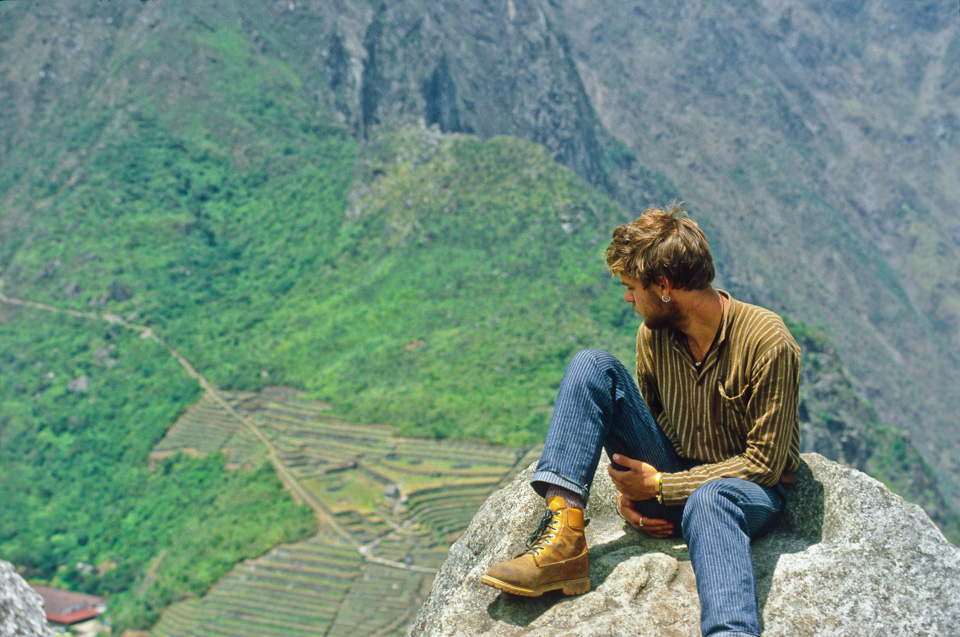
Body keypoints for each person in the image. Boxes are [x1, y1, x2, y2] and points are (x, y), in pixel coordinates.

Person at [480, 204, 801, 637]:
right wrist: (632, 496)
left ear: (665, 285)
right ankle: (565, 540)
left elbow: (763, 464)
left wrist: (661, 487)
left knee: (712, 499)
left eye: (632, 286)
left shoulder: (767, 341)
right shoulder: (654, 334)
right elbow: (650, 424)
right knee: (591, 365)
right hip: (670, 482)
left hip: (746, 495)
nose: (627, 297)